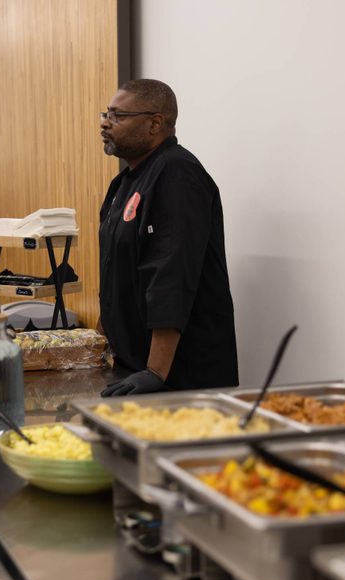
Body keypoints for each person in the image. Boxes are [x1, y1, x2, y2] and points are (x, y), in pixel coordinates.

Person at [97, 79, 238, 396]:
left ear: (154, 123)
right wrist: (102, 343)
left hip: (180, 378)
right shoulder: (124, 184)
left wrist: (155, 371)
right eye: (105, 114)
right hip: (135, 368)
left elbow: (171, 276)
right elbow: (113, 272)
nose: (106, 123)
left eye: (118, 116)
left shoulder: (177, 174)